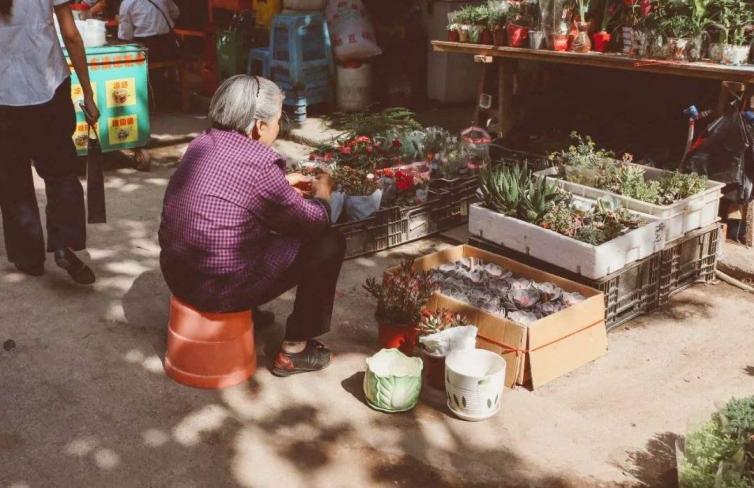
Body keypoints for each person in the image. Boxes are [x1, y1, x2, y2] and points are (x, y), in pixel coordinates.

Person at [159, 75, 346, 377]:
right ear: (259, 127)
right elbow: (312, 222)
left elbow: (229, 193)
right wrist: (324, 194)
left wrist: (282, 185)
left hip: (178, 276)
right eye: (276, 121)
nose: (278, 127)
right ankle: (295, 350)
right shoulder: (260, 163)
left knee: (238, 227)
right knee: (328, 242)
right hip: (218, 290)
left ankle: (248, 312)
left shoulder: (200, 144)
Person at [0, 0, 100, 284]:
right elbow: (70, 34)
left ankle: (28, 258)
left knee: (12, 178)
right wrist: (88, 94)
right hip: (48, 89)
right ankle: (64, 241)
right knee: (60, 171)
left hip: (3, 97)